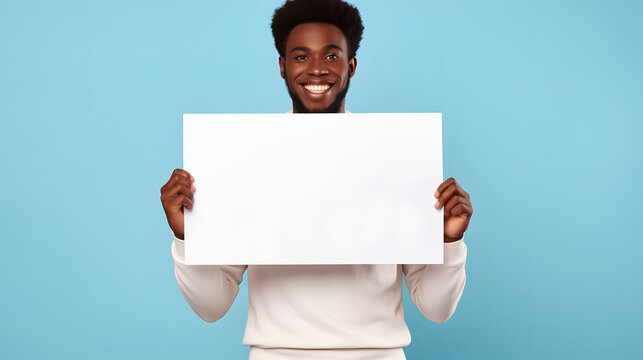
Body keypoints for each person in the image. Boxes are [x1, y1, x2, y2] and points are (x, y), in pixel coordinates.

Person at [160, 0, 473, 359]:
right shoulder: (246, 156)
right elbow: (211, 306)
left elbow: (436, 308)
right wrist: (186, 236)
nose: (317, 70)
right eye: (301, 56)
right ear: (282, 66)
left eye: (331, 56)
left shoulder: (396, 154)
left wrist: (450, 241)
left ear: (351, 66)